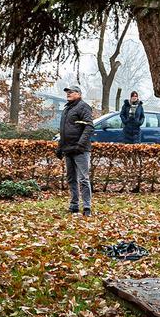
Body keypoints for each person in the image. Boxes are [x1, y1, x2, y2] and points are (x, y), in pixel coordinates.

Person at [56, 83, 96, 217]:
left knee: (84, 179)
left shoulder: (83, 107)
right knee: (71, 178)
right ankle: (74, 205)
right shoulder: (67, 109)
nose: (68, 93)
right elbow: (63, 131)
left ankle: (87, 207)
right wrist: (60, 147)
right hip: (68, 149)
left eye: (71, 92)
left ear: (78, 94)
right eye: (67, 92)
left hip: (80, 150)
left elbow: (89, 127)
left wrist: (80, 144)